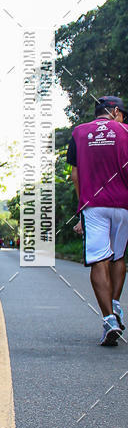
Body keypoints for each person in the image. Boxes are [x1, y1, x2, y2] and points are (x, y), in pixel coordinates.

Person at [67, 96, 128, 346]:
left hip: (94, 206)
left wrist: (82, 207)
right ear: (115, 111)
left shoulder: (79, 133)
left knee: (98, 259)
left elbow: (75, 174)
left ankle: (109, 319)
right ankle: (115, 304)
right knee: (118, 257)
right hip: (123, 205)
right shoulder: (125, 131)